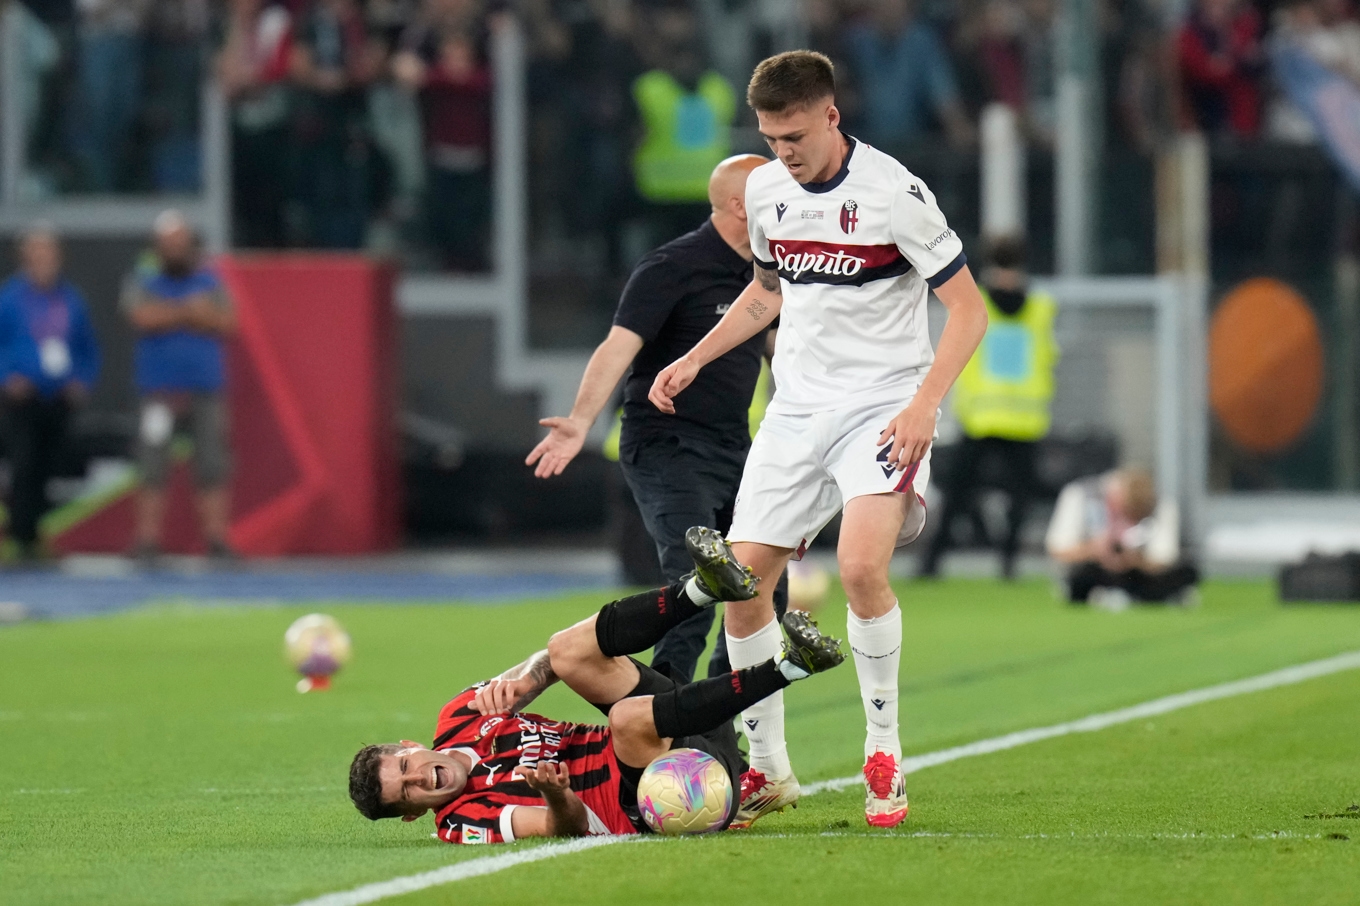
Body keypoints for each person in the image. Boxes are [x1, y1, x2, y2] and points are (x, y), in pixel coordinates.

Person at [648, 50, 989, 829]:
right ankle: (768, 770)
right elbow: (766, 294)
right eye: (771, 138)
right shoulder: (767, 191)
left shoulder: (896, 195)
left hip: (882, 406)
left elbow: (967, 311)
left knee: (862, 566)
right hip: (796, 410)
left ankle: (884, 752)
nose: (784, 153)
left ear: (831, 116)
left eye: (795, 135)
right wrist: (694, 358)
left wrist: (925, 406)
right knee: (741, 583)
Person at [347, 534, 844, 841]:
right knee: (628, 718)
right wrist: (556, 796)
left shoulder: (460, 715)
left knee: (564, 650)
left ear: (411, 747)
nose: (421, 780)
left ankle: (702, 588)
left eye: (407, 768)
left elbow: (552, 662)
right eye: (408, 793)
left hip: (671, 727)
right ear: (413, 815)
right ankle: (788, 667)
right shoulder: (462, 822)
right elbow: (564, 829)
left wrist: (528, 676)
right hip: (664, 796)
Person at [527, 154, 785, 685]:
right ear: (743, 205)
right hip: (665, 444)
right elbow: (618, 347)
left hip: (735, 447)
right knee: (696, 586)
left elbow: (785, 354)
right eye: (775, 195)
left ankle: (719, 715)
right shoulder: (673, 266)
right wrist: (580, 420)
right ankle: (661, 715)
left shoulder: (767, 276)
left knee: (766, 587)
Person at [920, 236, 1058, 580]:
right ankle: (1008, 566)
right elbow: (1049, 357)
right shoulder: (1041, 307)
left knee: (957, 494)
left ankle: (932, 564)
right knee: (1018, 499)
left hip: (982, 415)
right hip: (1024, 417)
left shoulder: (975, 300)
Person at [124, 211, 237, 561]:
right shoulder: (143, 280)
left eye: (180, 243)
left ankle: (216, 539)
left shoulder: (210, 279)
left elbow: (228, 322)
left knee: (212, 463)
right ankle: (147, 540)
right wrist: (189, 312)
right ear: (158, 247)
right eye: (168, 244)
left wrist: (173, 314)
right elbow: (142, 317)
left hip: (205, 387)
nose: (175, 250)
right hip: (158, 390)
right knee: (152, 463)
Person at [0, 227, 100, 562]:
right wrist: (7, 378)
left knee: (51, 467)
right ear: (26, 257)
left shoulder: (70, 300)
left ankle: (39, 533)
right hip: (21, 398)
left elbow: (87, 349)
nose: (43, 261)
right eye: (36, 253)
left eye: (48, 254)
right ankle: (18, 536)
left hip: (58, 398)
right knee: (23, 465)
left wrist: (80, 381)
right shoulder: (11, 298)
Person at [1046, 467, 1200, 608]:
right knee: (1083, 575)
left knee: (1186, 572)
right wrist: (1094, 550)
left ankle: (1121, 594)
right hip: (1095, 566)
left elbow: (1163, 558)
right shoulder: (1081, 494)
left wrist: (1134, 560)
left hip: (1139, 571)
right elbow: (1058, 549)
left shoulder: (1161, 505)